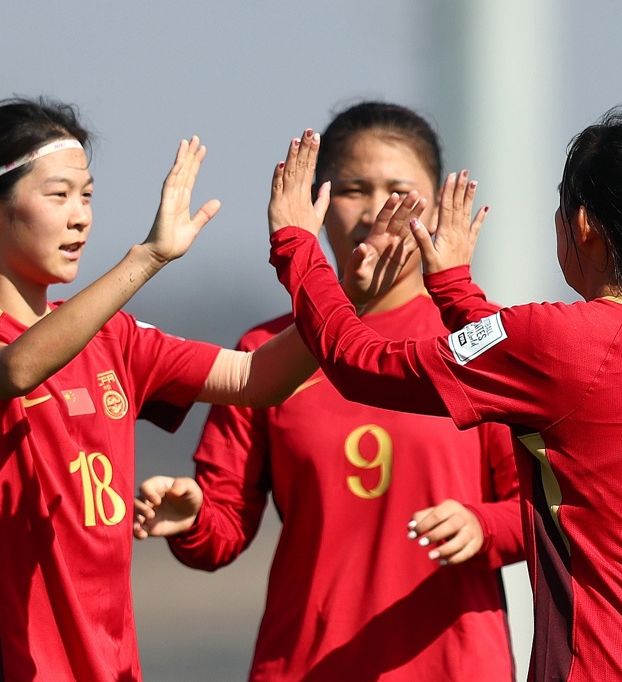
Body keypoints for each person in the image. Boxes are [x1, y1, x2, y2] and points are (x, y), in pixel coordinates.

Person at [0, 97, 407, 682]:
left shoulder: (114, 336)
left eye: (87, 195)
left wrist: (343, 300)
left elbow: (257, 377)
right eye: (59, 194)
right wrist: (146, 259)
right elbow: (17, 370)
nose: (80, 216)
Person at [264, 109, 622, 680]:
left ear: (581, 225)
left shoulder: (561, 340)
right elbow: (537, 365)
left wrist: (296, 245)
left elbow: (358, 362)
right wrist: (453, 287)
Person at [133, 102, 524, 681]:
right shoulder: (266, 355)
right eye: (353, 189)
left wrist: (483, 525)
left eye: (399, 191)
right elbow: (222, 532)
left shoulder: (477, 344)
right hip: (306, 663)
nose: (375, 210)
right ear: (317, 202)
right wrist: (190, 520)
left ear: (439, 206)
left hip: (452, 665)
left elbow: (547, 511)